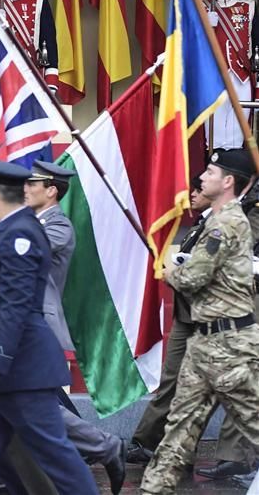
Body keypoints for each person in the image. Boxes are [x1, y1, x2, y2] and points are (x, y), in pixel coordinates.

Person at [0, 157, 98, 495]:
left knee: (59, 458)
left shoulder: (21, 236)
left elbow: (16, 310)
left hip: (18, 373)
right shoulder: (3, 232)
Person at [141, 149, 259, 494]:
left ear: (227, 182)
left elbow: (193, 277)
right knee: (179, 430)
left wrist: (171, 271)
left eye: (210, 171)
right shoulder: (213, 220)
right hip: (204, 343)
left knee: (252, 421)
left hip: (230, 346)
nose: (202, 177)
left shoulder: (228, 222)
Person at [25, 161, 126, 493]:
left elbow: (24, 248)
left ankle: (101, 446)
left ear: (51, 190)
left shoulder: (58, 226)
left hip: (38, 324)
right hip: (23, 325)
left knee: (33, 402)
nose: (25, 188)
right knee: (35, 402)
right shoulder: (29, 222)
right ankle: (89, 448)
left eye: (32, 183)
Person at [128, 177, 211, 468]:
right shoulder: (203, 223)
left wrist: (174, 273)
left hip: (210, 318)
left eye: (199, 190)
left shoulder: (229, 223)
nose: (193, 195)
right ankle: (146, 442)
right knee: (172, 382)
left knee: (204, 391)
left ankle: (180, 451)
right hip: (186, 313)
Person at [195, 0, 259, 149]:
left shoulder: (248, 5)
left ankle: (235, 179)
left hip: (242, 76)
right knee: (214, 136)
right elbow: (191, 44)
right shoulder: (199, 6)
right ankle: (214, 175)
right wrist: (206, 25)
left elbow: (257, 42)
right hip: (212, 77)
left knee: (239, 135)